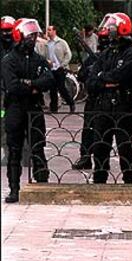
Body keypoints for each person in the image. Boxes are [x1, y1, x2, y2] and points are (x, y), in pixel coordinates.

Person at [2, 18, 55, 203]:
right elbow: (12, 86)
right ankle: (14, 189)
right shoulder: (9, 59)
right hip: (15, 108)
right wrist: (33, 85)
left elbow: (48, 80)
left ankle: (42, 184)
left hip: (34, 108)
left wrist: (30, 83)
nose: (32, 39)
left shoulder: (38, 59)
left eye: (34, 35)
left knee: (38, 147)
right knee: (14, 151)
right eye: (29, 35)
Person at [86, 12, 132, 184]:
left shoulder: (131, 53)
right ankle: (99, 178)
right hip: (103, 105)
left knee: (124, 146)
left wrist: (105, 77)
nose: (109, 31)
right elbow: (92, 80)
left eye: (112, 28)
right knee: (100, 145)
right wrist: (105, 81)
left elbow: (121, 76)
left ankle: (129, 178)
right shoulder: (107, 53)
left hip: (123, 105)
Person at [72, 29, 111, 170]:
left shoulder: (112, 58)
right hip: (93, 99)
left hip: (107, 99)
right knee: (88, 129)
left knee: (104, 132)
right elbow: (81, 75)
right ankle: (85, 157)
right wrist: (89, 70)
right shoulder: (93, 57)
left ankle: (101, 160)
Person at [46, 25, 75, 113]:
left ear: (55, 31)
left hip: (60, 68)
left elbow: (68, 54)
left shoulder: (61, 42)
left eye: (50, 30)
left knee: (61, 88)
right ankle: (54, 108)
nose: (48, 32)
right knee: (52, 89)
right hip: (51, 68)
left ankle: (71, 103)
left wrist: (63, 64)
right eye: (48, 30)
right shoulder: (47, 43)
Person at [1, 16, 16, 166]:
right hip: (2, 92)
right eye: (3, 31)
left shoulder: (19, 48)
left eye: (8, 31)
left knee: (16, 123)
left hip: (15, 92)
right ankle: (7, 151)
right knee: (2, 120)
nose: (5, 34)